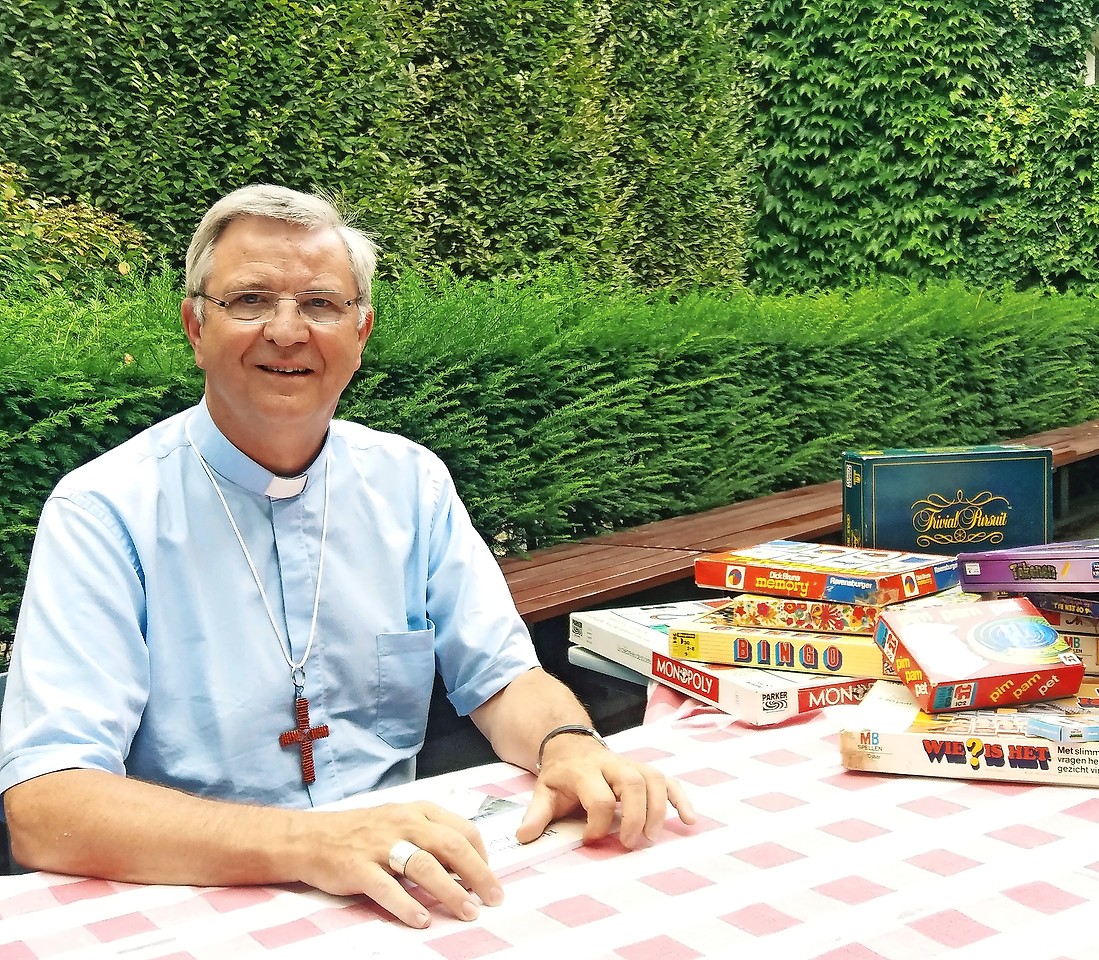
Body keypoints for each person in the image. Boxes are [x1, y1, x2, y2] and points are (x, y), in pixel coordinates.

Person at [0, 184, 694, 927]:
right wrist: (307, 842)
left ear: (361, 332)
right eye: (250, 300)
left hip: (400, 882)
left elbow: (500, 677)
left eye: (322, 304)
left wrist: (568, 744)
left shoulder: (411, 483)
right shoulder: (104, 511)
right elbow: (48, 804)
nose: (288, 331)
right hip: (196, 898)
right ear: (194, 327)